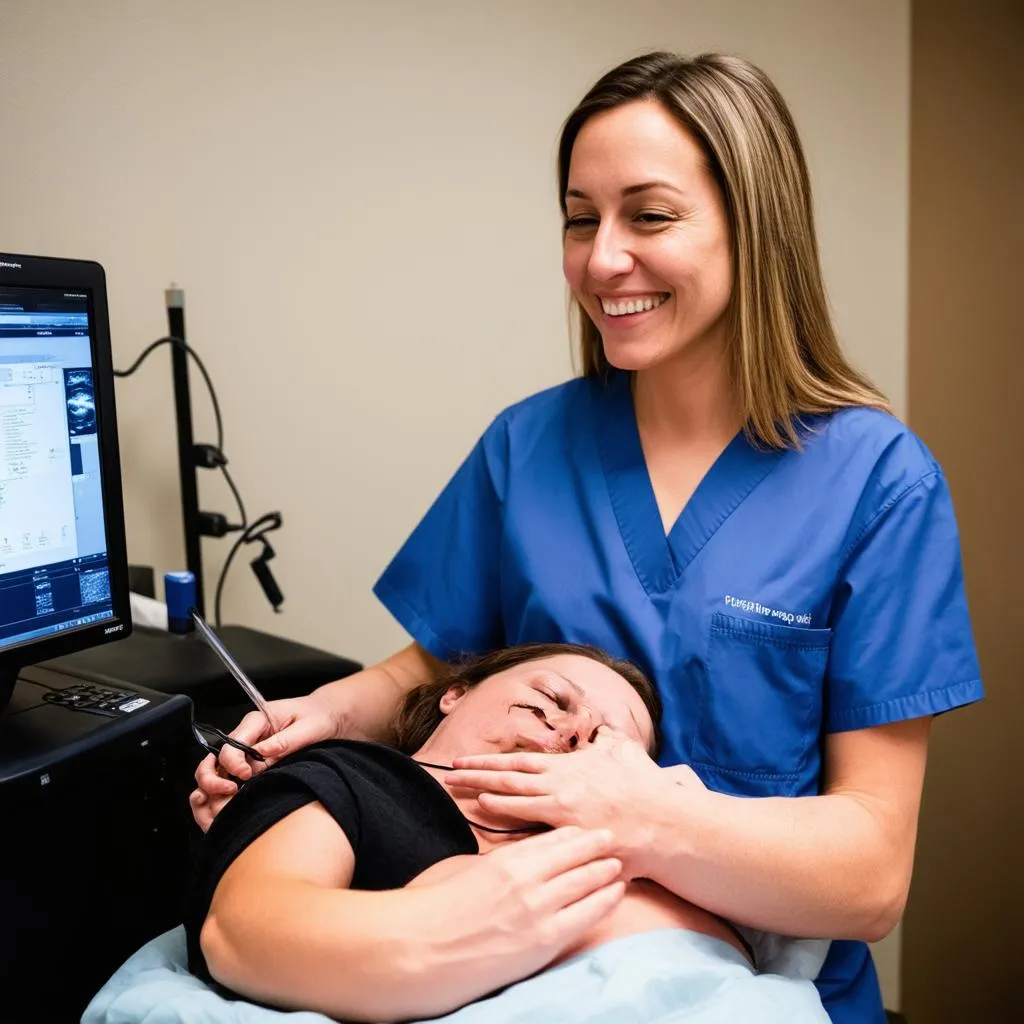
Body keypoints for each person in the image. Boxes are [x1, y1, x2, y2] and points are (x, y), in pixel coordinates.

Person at [192, 51, 983, 1024]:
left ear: (754, 227)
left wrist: (641, 819)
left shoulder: (877, 484)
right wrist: (329, 713)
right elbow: (434, 668)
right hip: (500, 973)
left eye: (648, 216)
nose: (602, 259)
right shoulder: (528, 447)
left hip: (753, 991)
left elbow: (869, 873)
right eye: (580, 218)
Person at [186, 644, 828, 1023]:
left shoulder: (643, 845)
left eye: (606, 745)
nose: (576, 731)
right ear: (454, 695)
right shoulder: (356, 780)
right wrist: (460, 927)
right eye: (552, 696)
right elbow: (246, 930)